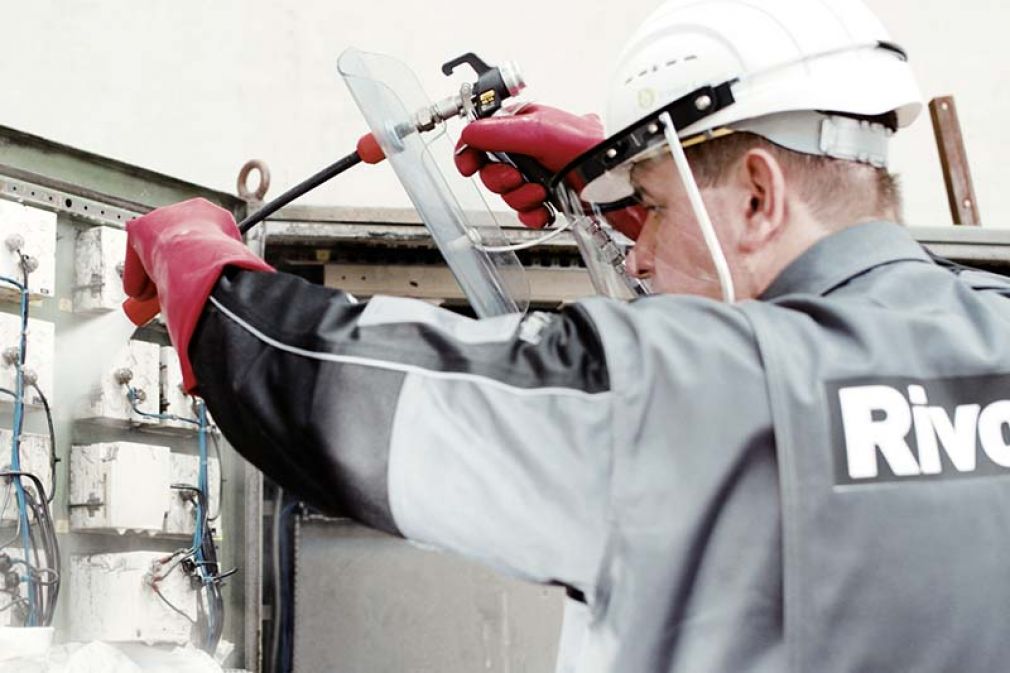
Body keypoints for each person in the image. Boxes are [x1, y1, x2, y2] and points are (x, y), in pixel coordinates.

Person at [123, 0, 1010, 670]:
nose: (646, 255)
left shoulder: (696, 398)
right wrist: (624, 187)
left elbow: (349, 394)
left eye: (653, 210)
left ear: (757, 193)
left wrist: (206, 271)